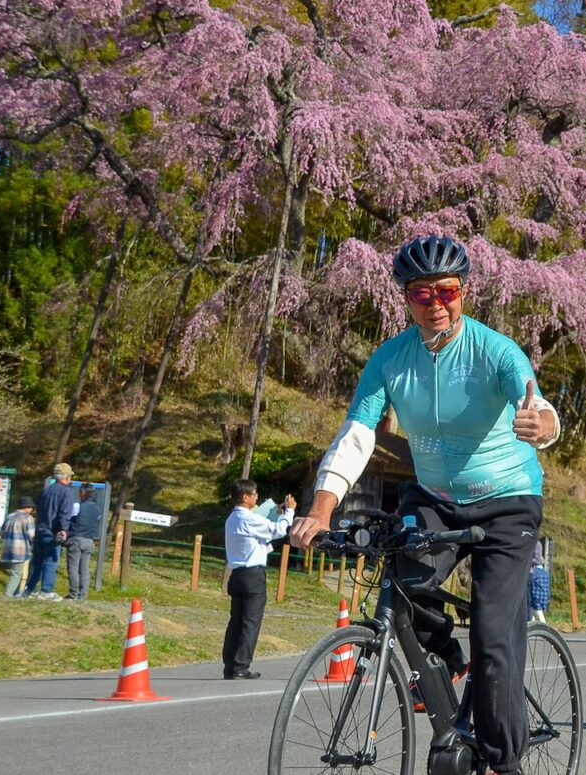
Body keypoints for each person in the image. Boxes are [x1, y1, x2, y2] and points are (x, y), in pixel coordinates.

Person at [289, 235, 560, 775]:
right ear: (406, 298)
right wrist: (321, 508)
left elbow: (536, 403)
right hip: (435, 497)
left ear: (464, 291)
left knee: (494, 636)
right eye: (421, 293)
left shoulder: (496, 350)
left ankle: (504, 763)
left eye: (447, 290)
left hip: (508, 502)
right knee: (403, 581)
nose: (436, 303)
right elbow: (357, 434)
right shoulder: (390, 359)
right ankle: (443, 665)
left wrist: (544, 425)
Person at [223, 479, 294, 680]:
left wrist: (277, 512)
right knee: (250, 622)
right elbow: (279, 530)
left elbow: (263, 528)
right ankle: (241, 667)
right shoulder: (249, 519)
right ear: (245, 497)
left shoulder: (232, 519)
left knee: (235, 622)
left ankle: (230, 666)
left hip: (236, 573)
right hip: (253, 574)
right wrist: (289, 512)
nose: (256, 497)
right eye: (254, 494)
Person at [24, 462, 78, 600]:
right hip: (53, 532)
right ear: (66, 477)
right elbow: (64, 513)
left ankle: (30, 590)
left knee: (36, 562)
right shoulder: (66, 492)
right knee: (51, 560)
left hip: (40, 530)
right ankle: (47, 590)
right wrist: (64, 530)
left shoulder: (45, 491)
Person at [66, 485, 101, 600]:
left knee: (73, 568)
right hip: (89, 541)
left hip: (76, 539)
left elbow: (68, 519)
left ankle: (73, 594)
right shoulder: (97, 509)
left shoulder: (77, 506)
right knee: (84, 569)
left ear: (83, 493)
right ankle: (83, 595)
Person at [0, 496, 37, 597]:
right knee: (16, 574)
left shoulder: (9, 516)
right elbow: (32, 535)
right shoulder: (28, 518)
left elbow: (2, 533)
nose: (32, 510)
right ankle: (8, 594)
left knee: (14, 572)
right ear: (26, 507)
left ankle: (16, 593)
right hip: (20, 550)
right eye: (31, 507)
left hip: (7, 549)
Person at [528, 543, 551, 624]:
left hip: (535, 601)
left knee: (539, 617)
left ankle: (547, 631)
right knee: (533, 617)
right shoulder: (545, 573)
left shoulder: (534, 573)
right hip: (542, 599)